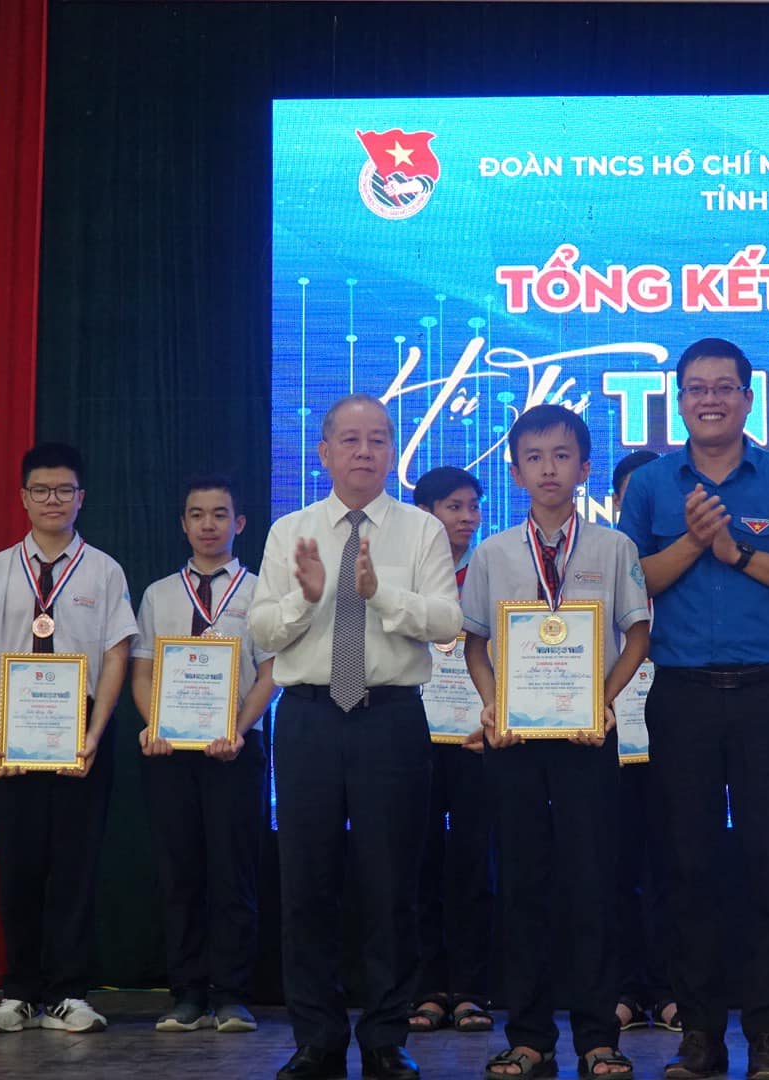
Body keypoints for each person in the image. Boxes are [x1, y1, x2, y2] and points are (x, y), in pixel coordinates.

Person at [617, 338, 769, 1080]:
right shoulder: (651, 484)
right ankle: (700, 1037)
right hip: (681, 697)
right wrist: (695, 540)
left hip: (768, 694)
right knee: (688, 870)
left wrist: (738, 553)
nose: (709, 399)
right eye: (695, 388)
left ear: (747, 398)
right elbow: (631, 582)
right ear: (679, 400)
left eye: (723, 387)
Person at [250, 394, 461, 1080]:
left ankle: (384, 1038)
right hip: (309, 716)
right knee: (305, 884)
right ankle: (315, 1038)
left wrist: (378, 594)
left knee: (390, 885)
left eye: (377, 439)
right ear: (324, 452)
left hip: (390, 719)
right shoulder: (291, 531)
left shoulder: (422, 531)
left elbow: (446, 621)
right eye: (350, 439)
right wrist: (307, 597)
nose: (364, 451)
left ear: (392, 451)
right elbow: (261, 632)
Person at [460, 404, 648, 1080]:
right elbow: (475, 644)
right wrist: (491, 704)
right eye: (534, 457)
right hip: (514, 741)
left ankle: (598, 1036)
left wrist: (603, 701)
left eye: (562, 456)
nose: (549, 469)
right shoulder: (492, 553)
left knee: (592, 884)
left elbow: (637, 635)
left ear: (584, 467)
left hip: (587, 737)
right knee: (522, 886)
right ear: (515, 472)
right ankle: (530, 1036)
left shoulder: (614, 548)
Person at [0, 443, 138, 1034]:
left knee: (75, 866)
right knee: (19, 866)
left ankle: (70, 993)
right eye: (41, 490)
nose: (53, 500)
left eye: (64, 490)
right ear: (23, 498)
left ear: (81, 498)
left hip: (80, 730)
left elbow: (116, 657)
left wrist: (95, 734)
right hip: (12, 732)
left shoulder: (105, 570)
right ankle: (19, 993)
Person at [131, 476, 278, 1034]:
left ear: (239, 523)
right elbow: (143, 671)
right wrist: (155, 724)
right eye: (197, 514)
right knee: (181, 874)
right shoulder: (159, 594)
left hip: (236, 750)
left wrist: (237, 730)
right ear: (183, 524)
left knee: (233, 873)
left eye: (220, 514)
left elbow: (270, 674)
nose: (208, 524)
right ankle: (187, 994)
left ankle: (232, 994)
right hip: (171, 753)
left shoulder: (260, 590)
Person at [408, 465, 498, 1035]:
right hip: (411, 739)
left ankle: (469, 990)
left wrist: (497, 714)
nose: (467, 518)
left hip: (477, 739)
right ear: (426, 514)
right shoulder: (405, 572)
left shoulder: (493, 569)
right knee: (415, 866)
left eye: (473, 507)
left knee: (473, 866)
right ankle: (426, 988)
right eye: (454, 507)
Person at [609, 449, 680, 1035]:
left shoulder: (690, 561)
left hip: (678, 730)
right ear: (616, 503)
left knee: (677, 865)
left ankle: (673, 987)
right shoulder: (592, 559)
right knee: (614, 867)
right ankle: (626, 987)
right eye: (634, 496)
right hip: (607, 731)